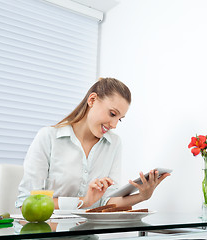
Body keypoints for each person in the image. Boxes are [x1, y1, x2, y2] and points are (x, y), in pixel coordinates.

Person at [16, 77, 170, 209]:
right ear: (92, 100)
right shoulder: (48, 137)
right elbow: (27, 202)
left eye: (120, 119)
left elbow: (106, 201)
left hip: (86, 233)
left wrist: (142, 196)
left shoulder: (114, 143)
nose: (114, 124)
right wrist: (84, 201)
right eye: (112, 114)